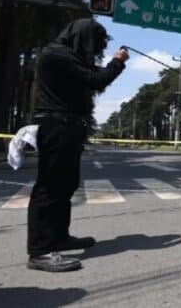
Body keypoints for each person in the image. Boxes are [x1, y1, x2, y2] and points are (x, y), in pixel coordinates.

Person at [27, 19, 128, 272]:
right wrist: (117, 62)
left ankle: (59, 237)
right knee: (49, 188)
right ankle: (40, 250)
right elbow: (96, 80)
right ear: (83, 37)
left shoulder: (67, 56)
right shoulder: (57, 54)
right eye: (94, 43)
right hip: (56, 126)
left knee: (66, 185)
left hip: (68, 127)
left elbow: (91, 78)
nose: (94, 50)